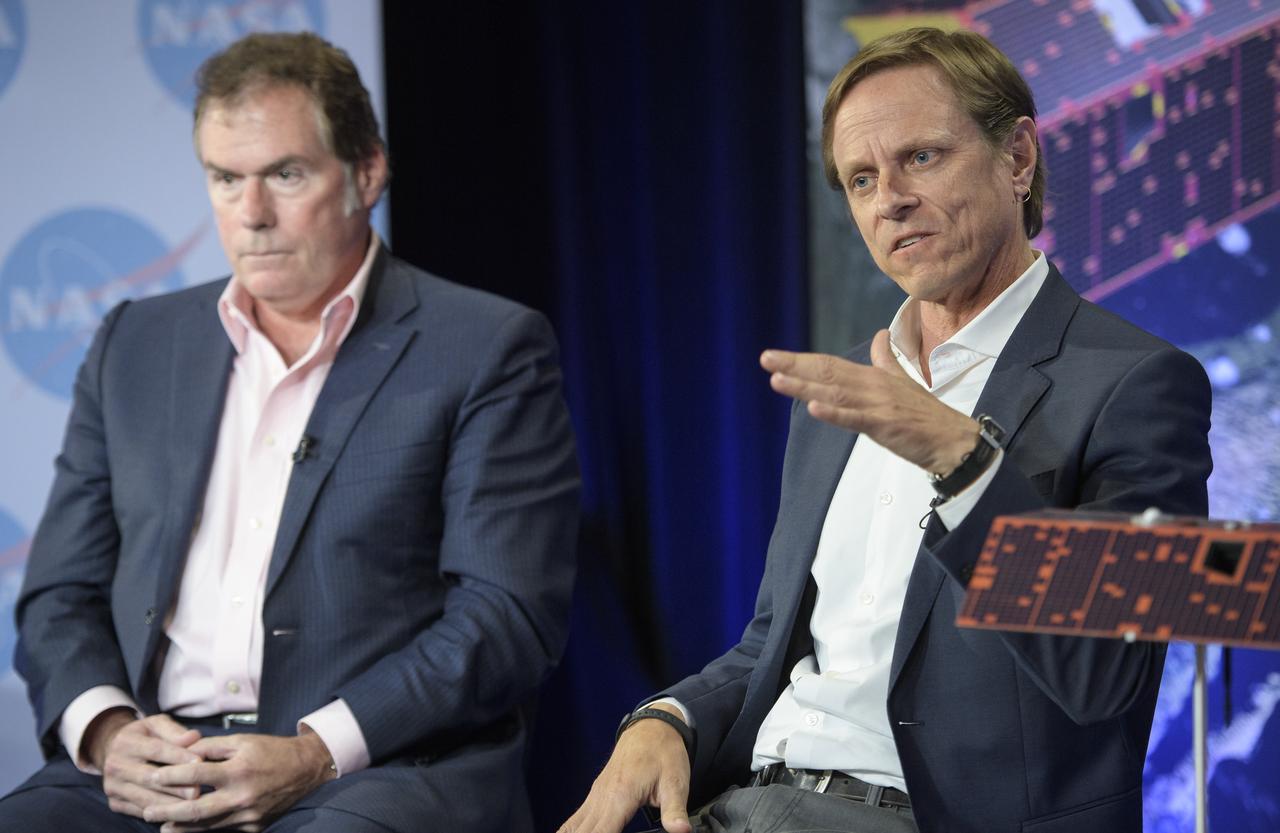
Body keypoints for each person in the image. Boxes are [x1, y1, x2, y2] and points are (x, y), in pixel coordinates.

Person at [560, 26, 1211, 833]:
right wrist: (669, 718)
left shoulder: (1133, 383)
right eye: (861, 179)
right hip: (749, 803)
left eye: (921, 157)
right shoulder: (841, 398)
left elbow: (1103, 674)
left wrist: (964, 461)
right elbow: (772, 646)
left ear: (1017, 158)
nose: (888, 199)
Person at [2, 31, 579, 833]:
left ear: (367, 172)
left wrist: (314, 750)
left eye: (285, 174)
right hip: (158, 760)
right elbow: (60, 590)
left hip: (374, 769)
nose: (251, 214)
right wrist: (106, 731)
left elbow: (505, 613)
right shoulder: (134, 344)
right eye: (225, 178)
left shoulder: (486, 347)